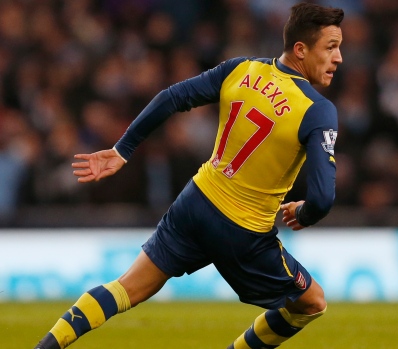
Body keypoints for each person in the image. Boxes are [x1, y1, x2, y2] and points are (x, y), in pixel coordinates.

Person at [34, 3, 344, 348]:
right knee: (311, 302)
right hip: (243, 231)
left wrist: (123, 149)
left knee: (126, 287)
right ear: (300, 49)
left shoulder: (242, 68)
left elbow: (173, 97)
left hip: (196, 201)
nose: (339, 58)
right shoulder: (318, 110)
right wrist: (302, 212)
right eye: (330, 47)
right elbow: (322, 199)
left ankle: (46, 345)